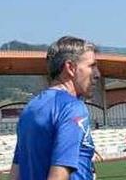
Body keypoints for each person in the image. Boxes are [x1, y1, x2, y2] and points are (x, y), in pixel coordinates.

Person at [12, 36, 100, 180]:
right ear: (70, 68)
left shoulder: (29, 109)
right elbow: (58, 175)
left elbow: (16, 173)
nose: (98, 74)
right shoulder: (72, 108)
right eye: (92, 66)